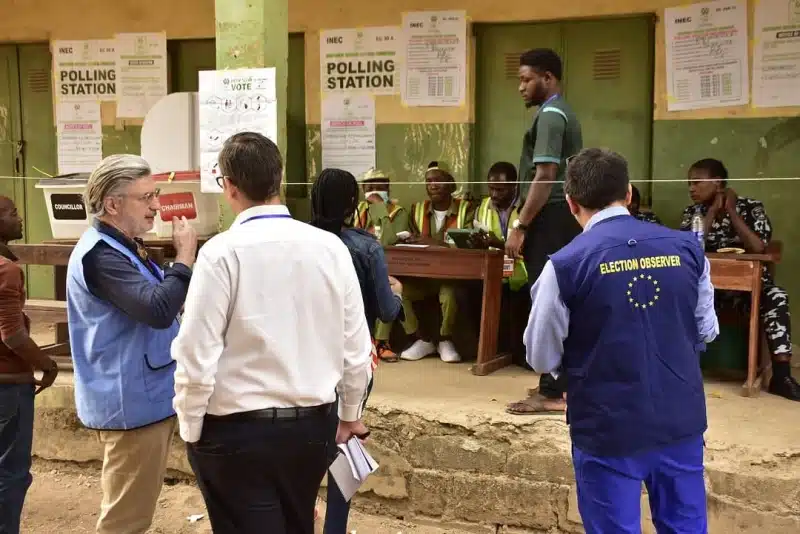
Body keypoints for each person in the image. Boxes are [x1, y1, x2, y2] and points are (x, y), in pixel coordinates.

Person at [172, 133, 373, 534]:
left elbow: (197, 354)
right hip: (312, 429)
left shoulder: (220, 253)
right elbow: (356, 345)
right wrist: (350, 414)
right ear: (278, 179)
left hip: (235, 432)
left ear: (228, 186)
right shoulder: (330, 248)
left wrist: (191, 426)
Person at [526, 148, 718, 532]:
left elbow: (541, 357)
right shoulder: (688, 249)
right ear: (629, 194)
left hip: (605, 426)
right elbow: (705, 331)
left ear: (570, 202)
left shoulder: (563, 265)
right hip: (679, 419)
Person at [66, 154, 197, 534]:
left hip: (145, 395)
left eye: (155, 194)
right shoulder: (101, 256)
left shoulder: (123, 246)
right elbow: (157, 308)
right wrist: (184, 258)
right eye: (146, 197)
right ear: (112, 204)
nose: (157, 205)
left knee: (134, 510)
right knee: (126, 520)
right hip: (129, 403)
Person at [310, 168, 404, 534]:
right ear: (353, 203)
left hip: (303, 357)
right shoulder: (365, 246)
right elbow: (384, 310)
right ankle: (336, 526)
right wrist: (396, 292)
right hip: (352, 360)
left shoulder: (298, 240)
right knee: (345, 442)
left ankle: (302, 515)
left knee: (308, 445)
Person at [680, 158, 799, 401]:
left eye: (697, 182)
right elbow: (689, 248)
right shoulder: (693, 213)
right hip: (710, 294)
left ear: (718, 183)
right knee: (673, 295)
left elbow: (759, 247)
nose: (691, 188)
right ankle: (679, 368)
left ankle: (782, 376)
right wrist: (712, 212)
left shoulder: (751, 207)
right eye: (689, 183)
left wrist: (732, 212)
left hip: (747, 294)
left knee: (776, 296)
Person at [505, 48, 583, 415]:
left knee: (549, 301)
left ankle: (553, 391)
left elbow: (545, 175)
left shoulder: (551, 116)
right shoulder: (557, 112)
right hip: (558, 217)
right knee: (559, 299)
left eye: (526, 79)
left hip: (550, 218)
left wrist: (520, 225)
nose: (520, 87)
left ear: (548, 78)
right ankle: (560, 382)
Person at [0, 196, 59, 534]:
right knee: (11, 472)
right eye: (11, 213)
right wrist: (47, 365)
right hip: (8, 385)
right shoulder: (6, 269)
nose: (19, 217)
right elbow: (12, 335)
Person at [400, 161, 475, 363]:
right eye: (429, 181)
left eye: (438, 180)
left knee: (449, 294)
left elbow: (468, 245)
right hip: (422, 275)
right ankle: (423, 340)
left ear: (451, 185)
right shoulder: (417, 209)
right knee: (397, 290)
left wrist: (433, 242)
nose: (432, 185)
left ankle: (444, 340)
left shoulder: (467, 209)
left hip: (454, 275)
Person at [467, 162, 529, 366]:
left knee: (520, 351)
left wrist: (497, 242)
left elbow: (529, 247)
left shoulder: (526, 208)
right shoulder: (482, 208)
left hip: (522, 279)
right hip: (493, 277)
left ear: (514, 187)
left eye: (500, 189)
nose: (494, 194)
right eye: (491, 188)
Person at [354, 168, 409, 362]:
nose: (376, 190)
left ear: (389, 188)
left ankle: (381, 342)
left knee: (385, 285)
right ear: (363, 188)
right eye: (371, 186)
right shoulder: (357, 210)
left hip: (388, 265)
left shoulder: (398, 211)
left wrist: (379, 208)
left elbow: (387, 240)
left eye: (381, 186)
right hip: (359, 267)